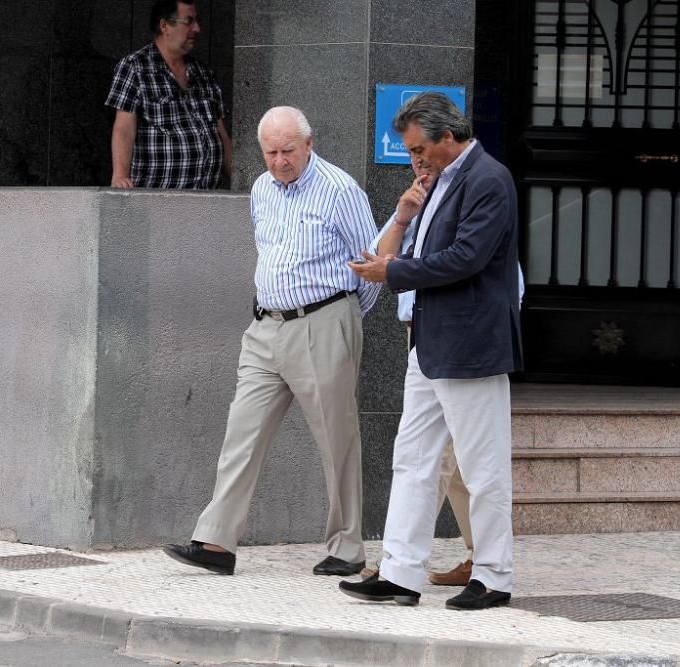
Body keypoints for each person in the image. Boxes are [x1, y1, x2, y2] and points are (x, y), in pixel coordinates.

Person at [163, 106, 380, 577]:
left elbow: (372, 266)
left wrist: (342, 322)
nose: (280, 161)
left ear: (309, 143)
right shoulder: (262, 189)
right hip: (264, 327)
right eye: (271, 152)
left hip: (322, 323)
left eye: (288, 151)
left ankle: (347, 548)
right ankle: (217, 543)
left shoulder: (340, 190)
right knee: (241, 432)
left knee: (336, 441)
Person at [341, 92, 522, 610]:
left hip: (471, 347)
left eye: (420, 149)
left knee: (482, 469)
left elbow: (466, 258)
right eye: (410, 151)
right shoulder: (436, 182)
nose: (414, 159)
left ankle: (493, 576)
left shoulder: (489, 178)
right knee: (413, 460)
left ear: (449, 137)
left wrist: (391, 273)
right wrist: (403, 217)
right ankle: (400, 573)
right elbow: (420, 252)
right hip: (429, 342)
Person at [105, 0, 232, 189]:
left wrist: (246, 185)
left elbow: (221, 135)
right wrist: (120, 176)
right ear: (165, 26)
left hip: (206, 202)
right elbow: (124, 128)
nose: (196, 28)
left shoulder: (203, 74)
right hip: (156, 201)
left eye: (197, 21)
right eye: (188, 21)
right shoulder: (135, 67)